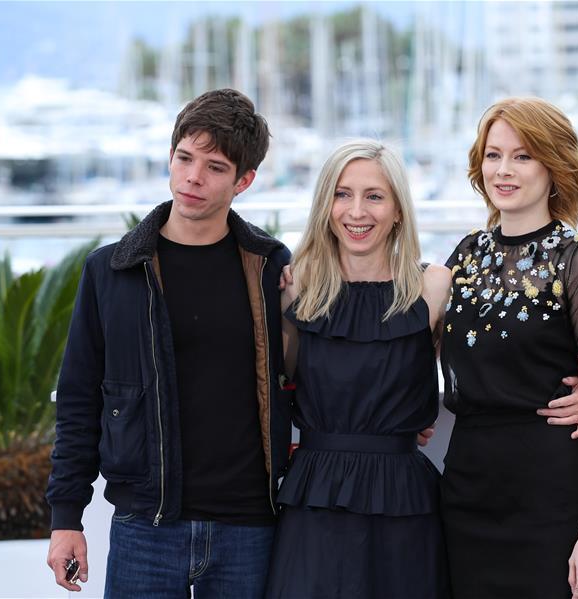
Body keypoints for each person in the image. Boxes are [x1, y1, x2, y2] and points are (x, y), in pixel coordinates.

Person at [45, 89, 294, 598]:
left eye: (215, 167)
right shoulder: (111, 270)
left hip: (249, 526)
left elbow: (306, 369)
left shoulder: (269, 266)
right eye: (185, 158)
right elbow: (78, 398)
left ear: (243, 180)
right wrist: (65, 517)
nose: (193, 177)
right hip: (145, 525)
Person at [439, 97, 578, 599]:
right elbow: (396, 329)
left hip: (552, 497)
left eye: (522, 156)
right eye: (493, 154)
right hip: (468, 492)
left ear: (554, 165)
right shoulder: (463, 258)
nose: (503, 169)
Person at [264, 140, 452, 598]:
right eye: (343, 194)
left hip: (403, 501)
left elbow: (486, 372)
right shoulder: (295, 287)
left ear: (399, 210)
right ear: (325, 204)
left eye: (374, 196)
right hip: (315, 496)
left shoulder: (433, 286)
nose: (356, 211)